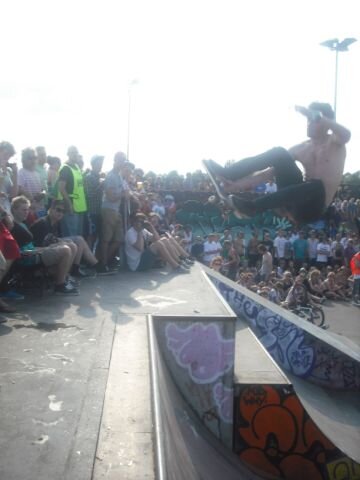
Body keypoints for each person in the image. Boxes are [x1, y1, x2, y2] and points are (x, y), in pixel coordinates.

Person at [204, 102, 351, 224]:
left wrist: (318, 116)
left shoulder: (335, 143)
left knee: (316, 185)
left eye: (312, 120)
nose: (308, 124)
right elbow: (269, 173)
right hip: (293, 202)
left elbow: (346, 134)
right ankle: (228, 172)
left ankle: (253, 207)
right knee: (279, 153)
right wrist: (236, 186)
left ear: (325, 122)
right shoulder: (301, 148)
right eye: (307, 120)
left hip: (313, 208)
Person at [57, 145, 87, 236]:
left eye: (76, 152)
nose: (75, 155)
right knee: (71, 237)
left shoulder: (77, 167)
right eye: (72, 153)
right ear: (68, 154)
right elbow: (61, 188)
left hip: (80, 207)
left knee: (78, 236)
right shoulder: (65, 168)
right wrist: (69, 205)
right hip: (71, 208)